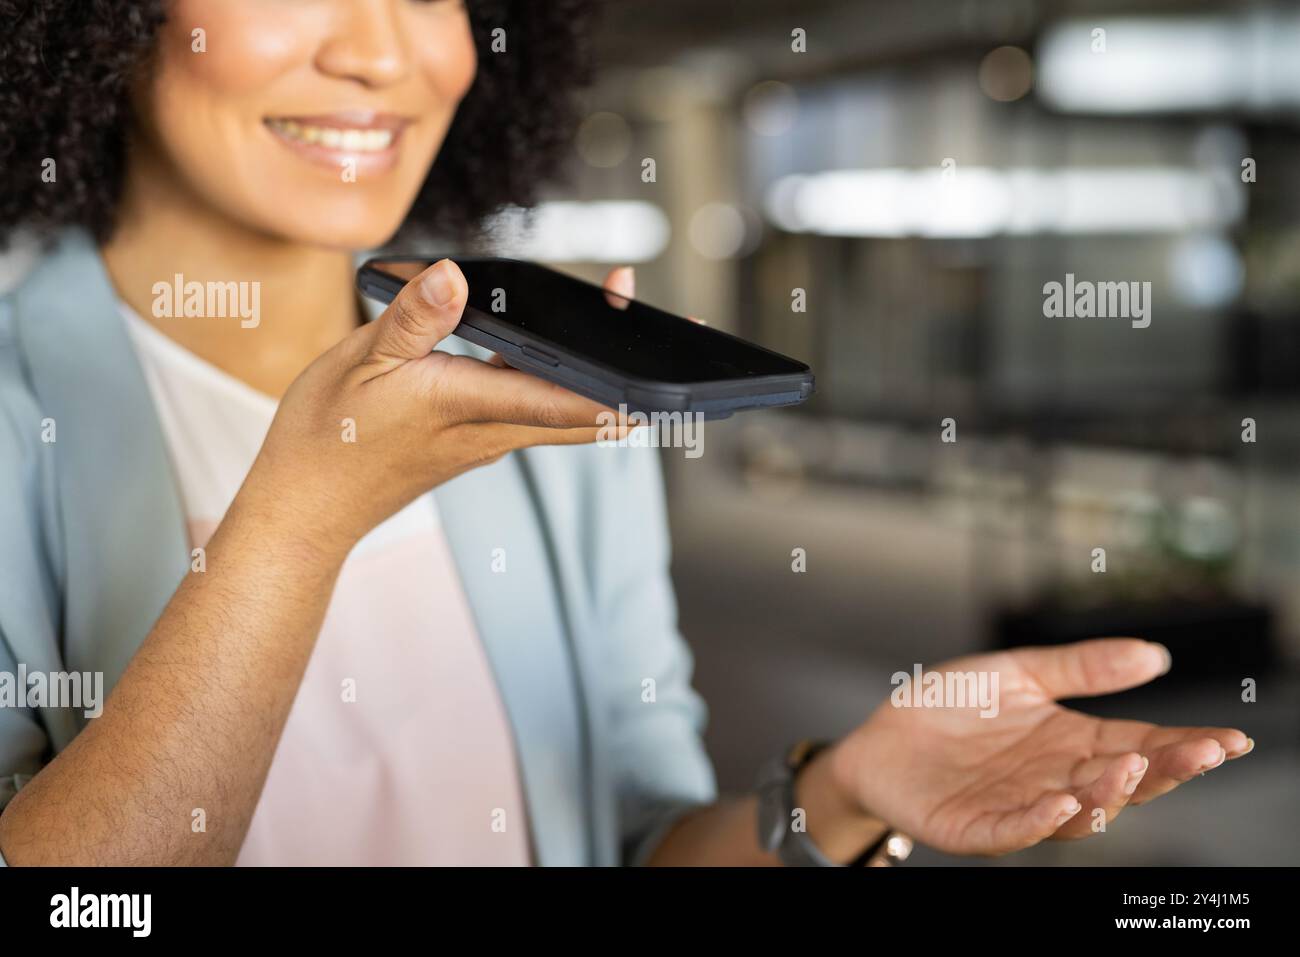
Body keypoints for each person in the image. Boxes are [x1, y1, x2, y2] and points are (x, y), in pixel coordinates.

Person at [0, 0, 1251, 867]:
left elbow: (635, 840)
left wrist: (838, 794)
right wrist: (291, 532)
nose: (384, 53)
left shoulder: (541, 395)